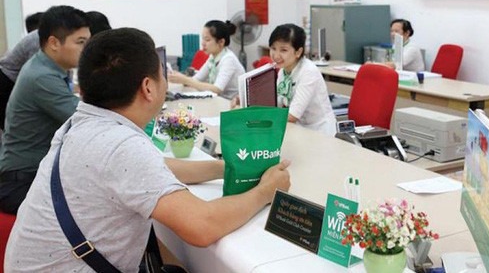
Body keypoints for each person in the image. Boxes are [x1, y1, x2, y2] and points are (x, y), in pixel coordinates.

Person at [4, 28, 291, 272]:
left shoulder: (81, 123)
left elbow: (155, 168)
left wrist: (224, 168)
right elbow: (202, 226)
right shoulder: (121, 144)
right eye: (162, 75)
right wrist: (266, 191)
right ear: (148, 88)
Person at [0, 6, 90, 214]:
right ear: (54, 43)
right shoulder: (42, 76)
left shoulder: (48, 67)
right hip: (22, 180)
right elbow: (85, 120)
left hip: (35, 171)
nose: (86, 49)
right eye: (80, 42)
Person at [270, 24, 336, 136]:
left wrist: (264, 117)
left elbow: (292, 115)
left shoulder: (308, 72)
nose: (276, 55)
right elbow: (278, 104)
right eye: (273, 48)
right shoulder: (283, 71)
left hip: (320, 132)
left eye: (283, 50)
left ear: (298, 52)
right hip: (299, 128)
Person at [169, 20, 244, 99]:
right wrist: (180, 78)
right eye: (203, 39)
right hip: (219, 100)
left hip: (231, 103)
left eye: (207, 40)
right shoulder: (213, 57)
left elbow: (217, 89)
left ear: (221, 42)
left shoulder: (229, 59)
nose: (203, 43)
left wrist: (186, 80)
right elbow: (197, 79)